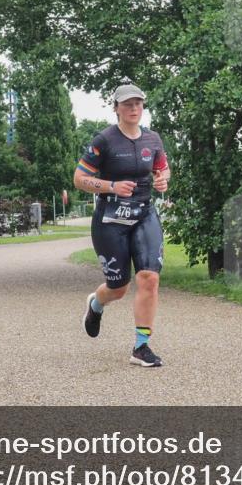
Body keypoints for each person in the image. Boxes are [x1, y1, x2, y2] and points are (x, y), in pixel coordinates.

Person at [73, 83, 170, 367]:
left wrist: (163, 179)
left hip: (144, 215)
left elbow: (162, 168)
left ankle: (141, 347)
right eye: (127, 104)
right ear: (116, 108)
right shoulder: (104, 140)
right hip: (110, 220)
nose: (134, 109)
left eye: (138, 103)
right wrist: (111, 185)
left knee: (149, 278)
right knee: (119, 288)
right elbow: (79, 178)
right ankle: (96, 304)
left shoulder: (153, 139)